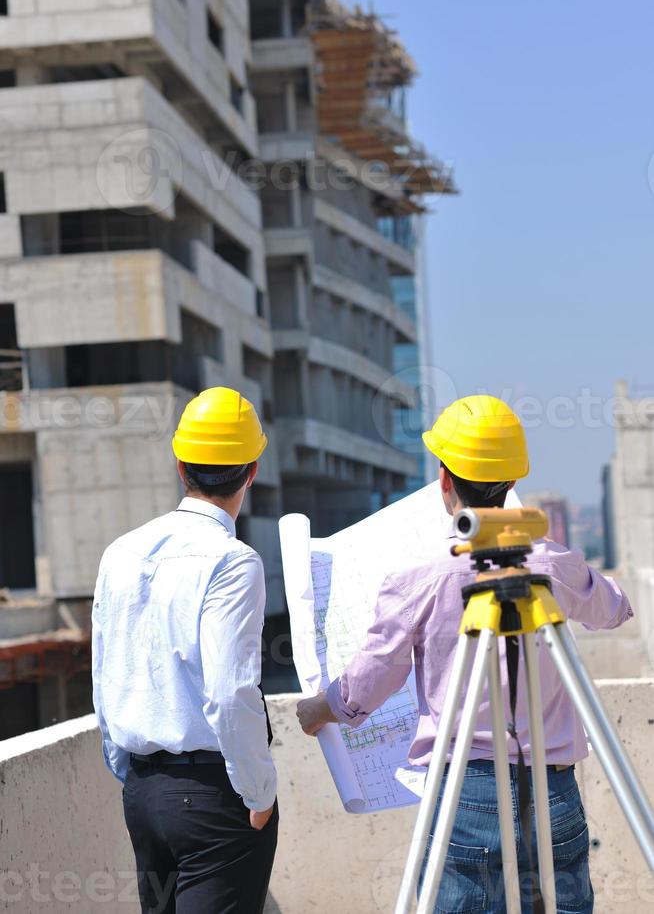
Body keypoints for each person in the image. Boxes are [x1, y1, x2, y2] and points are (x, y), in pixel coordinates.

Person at [296, 395, 632, 913]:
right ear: (513, 479)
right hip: (554, 790)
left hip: (465, 792)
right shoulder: (553, 566)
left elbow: (371, 678)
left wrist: (322, 709)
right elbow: (613, 609)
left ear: (445, 480)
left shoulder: (423, 578)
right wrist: (570, 570)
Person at [92, 387, 278, 914]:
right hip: (214, 797)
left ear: (180, 465)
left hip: (145, 791)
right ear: (251, 471)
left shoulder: (121, 552)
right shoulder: (234, 562)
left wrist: (131, 774)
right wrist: (259, 794)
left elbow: (104, 675)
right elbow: (229, 691)